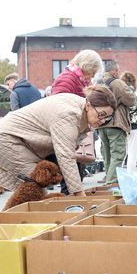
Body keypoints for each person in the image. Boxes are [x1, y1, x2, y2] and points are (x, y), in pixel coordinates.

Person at [0, 85, 117, 196]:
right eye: (101, 114)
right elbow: (66, 157)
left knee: (34, 189)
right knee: (34, 186)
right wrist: (80, 195)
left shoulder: (80, 108)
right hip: (9, 138)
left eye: (107, 118)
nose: (103, 120)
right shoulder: (69, 113)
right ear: (89, 105)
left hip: (23, 140)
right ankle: (22, 223)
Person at [51, 49, 104, 194]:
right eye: (92, 71)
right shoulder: (68, 79)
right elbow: (57, 106)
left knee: (74, 175)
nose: (93, 75)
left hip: (73, 132)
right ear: (86, 66)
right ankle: (70, 205)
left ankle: (72, 203)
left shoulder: (79, 79)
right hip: (66, 133)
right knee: (69, 177)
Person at [98, 61, 136, 183]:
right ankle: (112, 183)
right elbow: (131, 100)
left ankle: (108, 180)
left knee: (107, 156)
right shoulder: (117, 83)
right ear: (113, 71)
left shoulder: (98, 83)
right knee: (118, 154)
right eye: (117, 71)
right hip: (115, 123)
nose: (118, 73)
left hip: (101, 124)